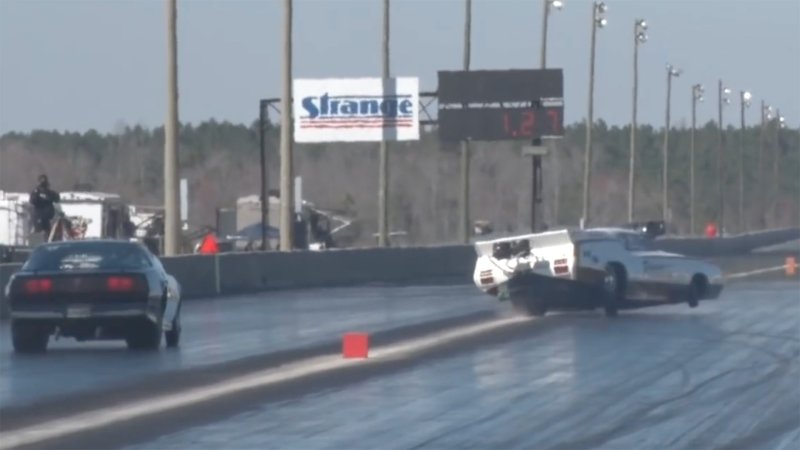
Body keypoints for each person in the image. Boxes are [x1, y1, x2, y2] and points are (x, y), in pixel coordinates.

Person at [29, 174, 61, 239]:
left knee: (49, 231)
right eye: (41, 180)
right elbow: (32, 200)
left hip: (48, 217)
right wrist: (40, 198)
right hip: (38, 216)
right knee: (38, 232)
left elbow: (57, 199)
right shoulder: (36, 191)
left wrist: (48, 197)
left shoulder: (50, 192)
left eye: (44, 180)